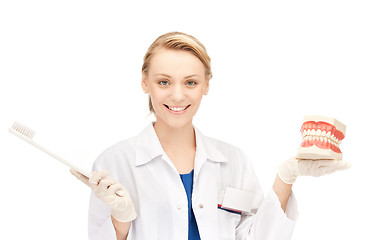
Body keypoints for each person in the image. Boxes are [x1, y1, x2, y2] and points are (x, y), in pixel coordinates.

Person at [71, 32, 350, 240]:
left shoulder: (233, 161)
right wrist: (121, 220)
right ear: (145, 83)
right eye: (164, 82)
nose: (177, 95)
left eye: (190, 82)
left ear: (206, 85)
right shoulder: (115, 162)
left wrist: (286, 177)